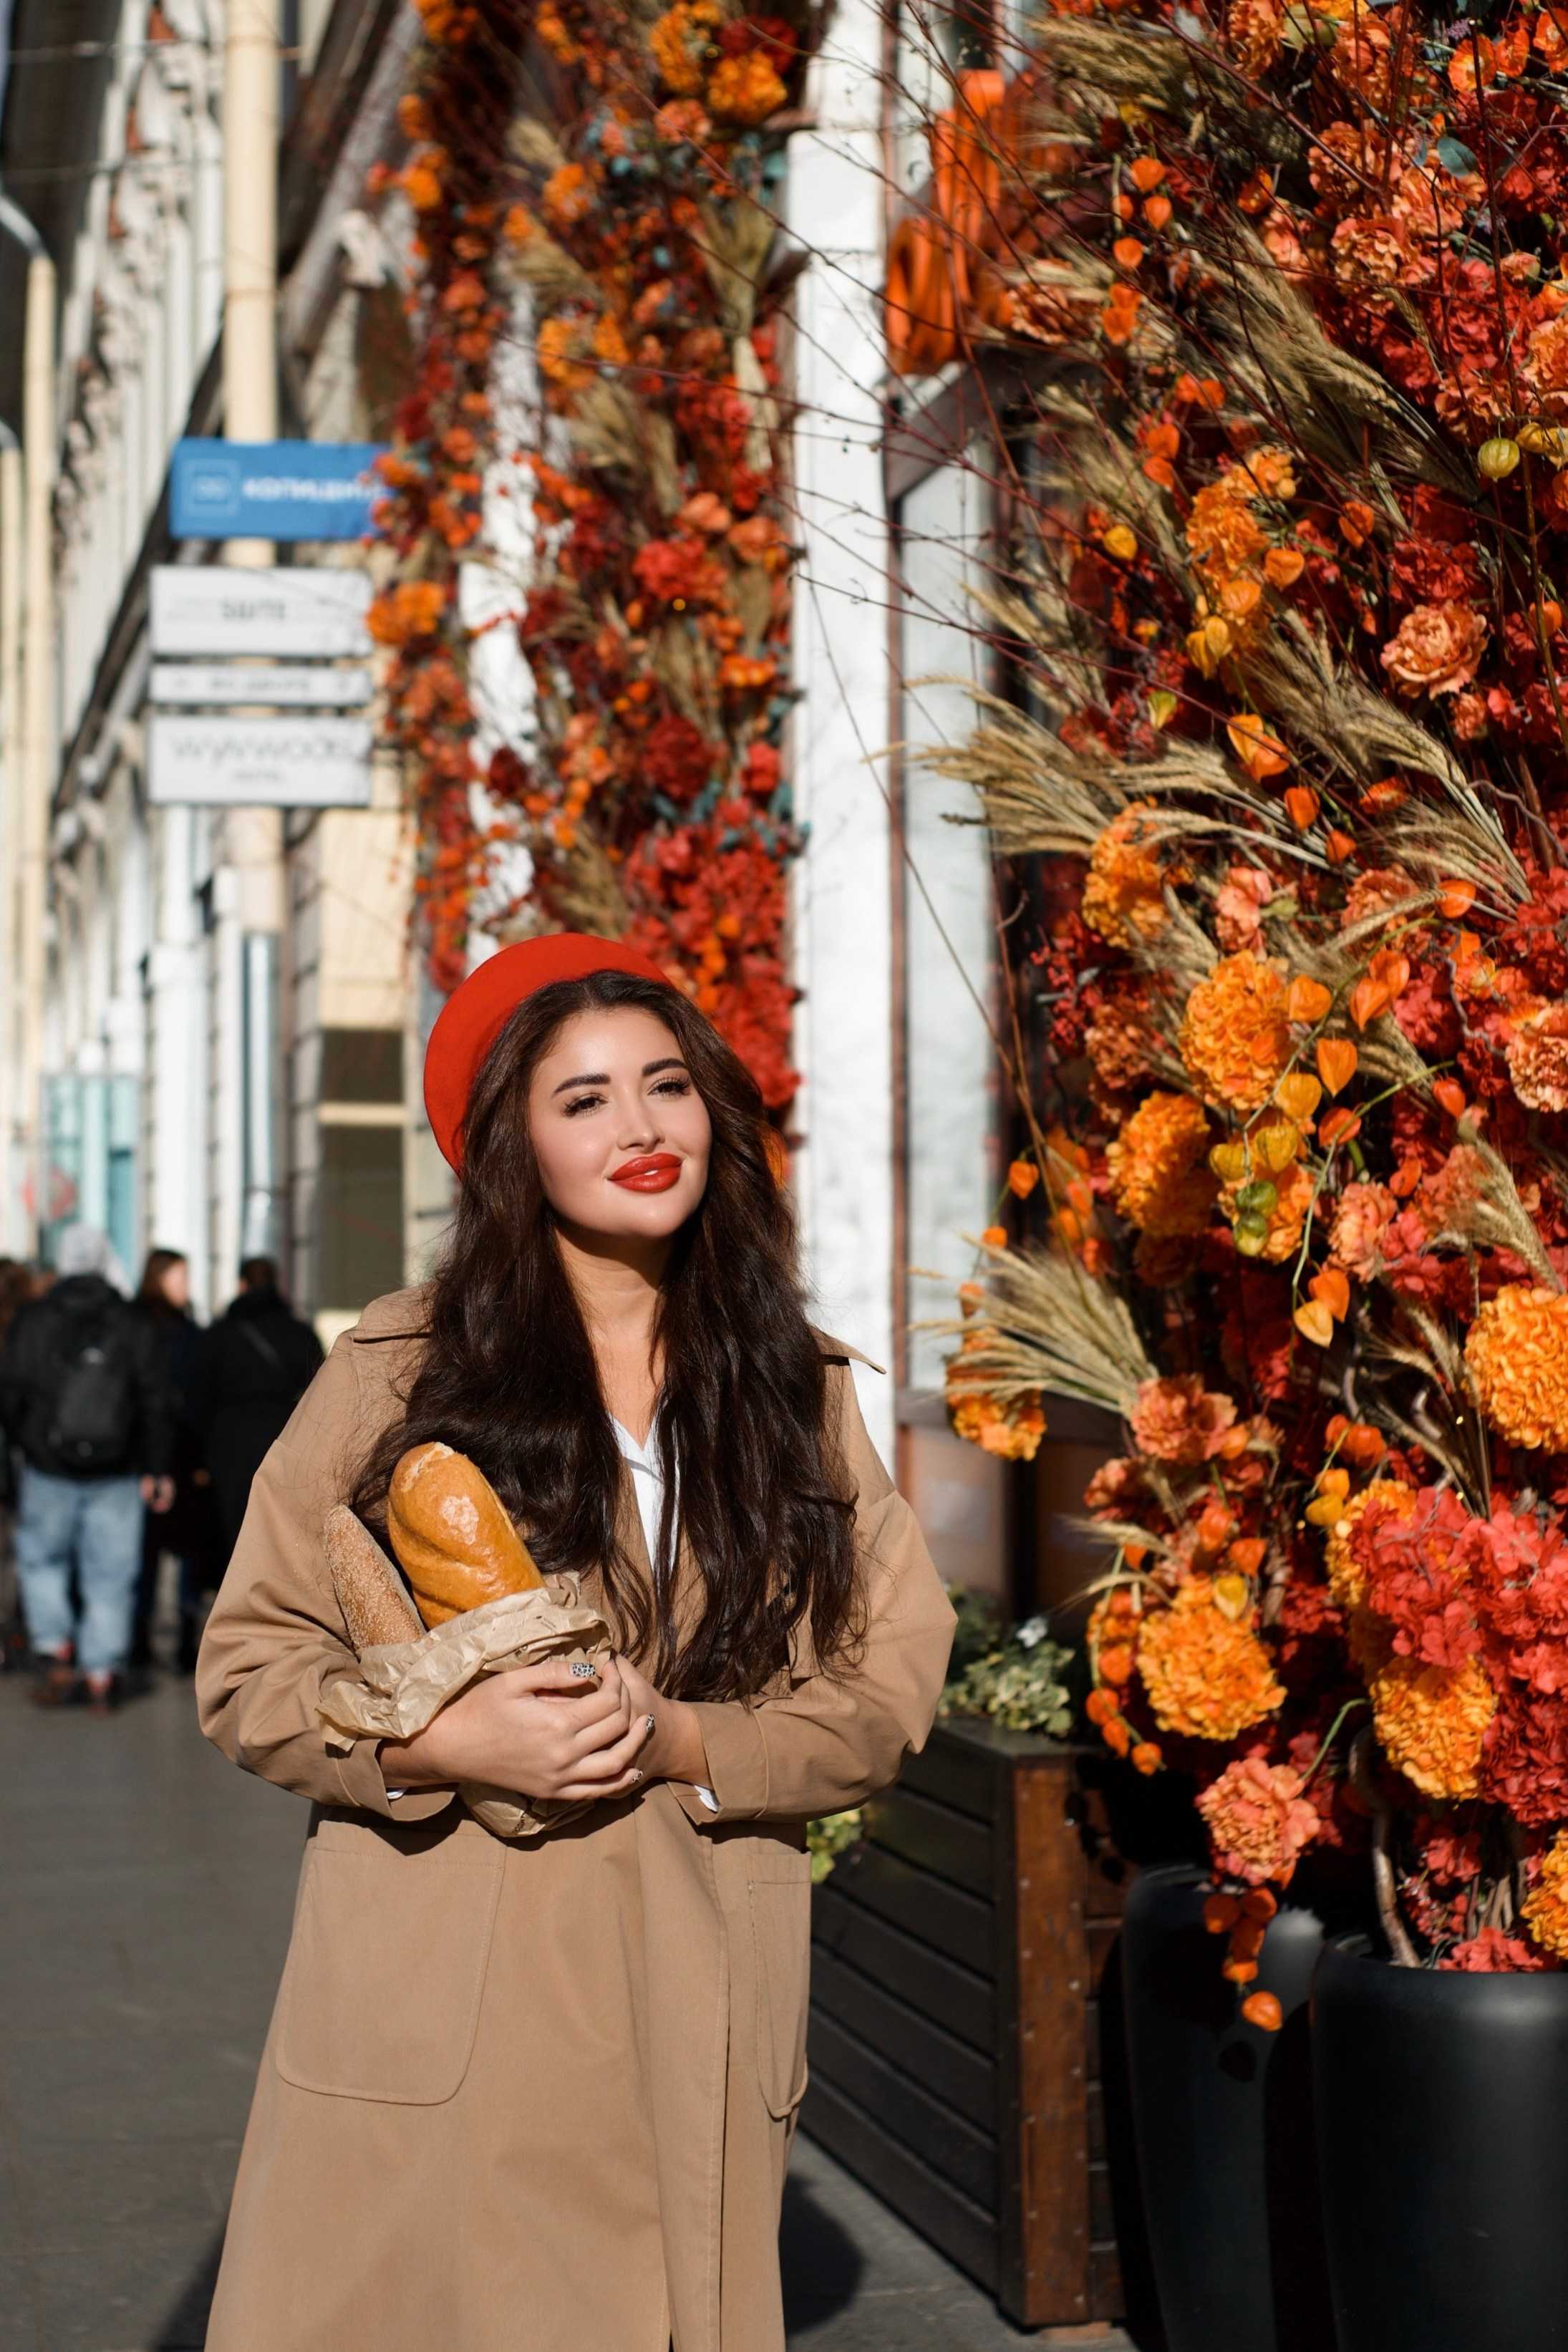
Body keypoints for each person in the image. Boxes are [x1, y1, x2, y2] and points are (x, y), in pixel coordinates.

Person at [196, 931, 955, 2352]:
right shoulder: (400, 1372)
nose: (641, 1126)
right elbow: (247, 1665)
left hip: (700, 1977)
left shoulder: (795, 1388)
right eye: (584, 1097)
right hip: (456, 1985)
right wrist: (430, 1738)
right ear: (513, 1144)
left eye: (665, 1084)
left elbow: (891, 1677)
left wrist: (691, 1738)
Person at [0, 1223, 174, 1711]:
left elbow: (11, 1392)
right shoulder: (132, 1320)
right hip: (117, 1472)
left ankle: (56, 1643)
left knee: (41, 1560)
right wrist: (157, 1467)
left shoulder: (35, 1319)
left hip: (48, 1468)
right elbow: (157, 1399)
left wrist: (28, 1445)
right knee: (111, 1575)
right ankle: (101, 1673)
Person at [190, 1257, 322, 1573]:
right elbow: (322, 1390)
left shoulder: (218, 1336)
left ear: (241, 1285)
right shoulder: (298, 1332)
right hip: (283, 1436)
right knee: (278, 1526)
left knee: (233, 1526)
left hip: (229, 1441)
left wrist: (200, 1455)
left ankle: (237, 1599)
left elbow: (198, 1397)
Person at [130, 1249, 220, 1672]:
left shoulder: (135, 1325)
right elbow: (199, 1397)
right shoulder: (184, 1333)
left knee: (150, 1546)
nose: (187, 1287)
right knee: (179, 1546)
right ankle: (177, 1636)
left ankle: (143, 1634)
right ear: (160, 1278)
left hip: (150, 1450)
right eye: (181, 1278)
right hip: (174, 1449)